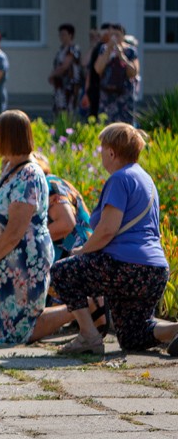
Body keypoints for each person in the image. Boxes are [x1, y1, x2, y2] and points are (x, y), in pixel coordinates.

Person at [53, 123, 178, 356]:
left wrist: (82, 251)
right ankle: (174, 331)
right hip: (155, 271)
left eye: (102, 148)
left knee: (63, 271)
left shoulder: (119, 179)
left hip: (126, 266)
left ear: (111, 152)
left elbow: (107, 231)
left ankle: (89, 336)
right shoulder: (146, 179)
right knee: (133, 336)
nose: (100, 153)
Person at [0, 111, 61, 344]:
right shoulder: (9, 168)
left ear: (9, 137)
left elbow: (15, 231)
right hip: (4, 259)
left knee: (19, 330)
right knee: (2, 332)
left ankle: (80, 310)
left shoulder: (29, 174)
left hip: (24, 259)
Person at [93, 23, 139, 125]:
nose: (114, 38)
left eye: (117, 35)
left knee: (124, 126)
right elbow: (98, 69)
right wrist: (108, 51)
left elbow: (134, 72)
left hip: (124, 94)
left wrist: (122, 56)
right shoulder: (104, 49)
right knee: (106, 125)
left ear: (123, 36)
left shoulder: (131, 51)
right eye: (112, 35)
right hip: (107, 94)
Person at [49, 24, 83, 118]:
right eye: (60, 34)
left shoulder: (73, 49)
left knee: (68, 110)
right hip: (60, 85)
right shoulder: (61, 50)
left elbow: (65, 65)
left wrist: (52, 75)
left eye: (64, 34)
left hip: (69, 85)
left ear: (70, 35)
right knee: (59, 110)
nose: (61, 37)